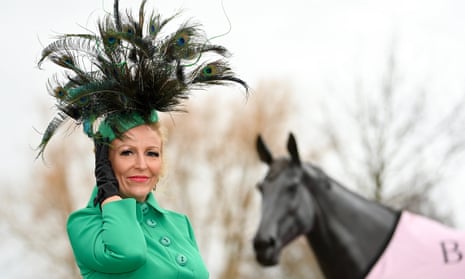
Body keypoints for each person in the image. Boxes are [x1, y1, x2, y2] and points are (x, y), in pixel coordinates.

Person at [36, 0, 247, 278]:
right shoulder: (85, 224)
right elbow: (129, 253)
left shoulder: (179, 224)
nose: (141, 164)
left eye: (152, 153)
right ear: (104, 160)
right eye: (126, 152)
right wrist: (108, 193)